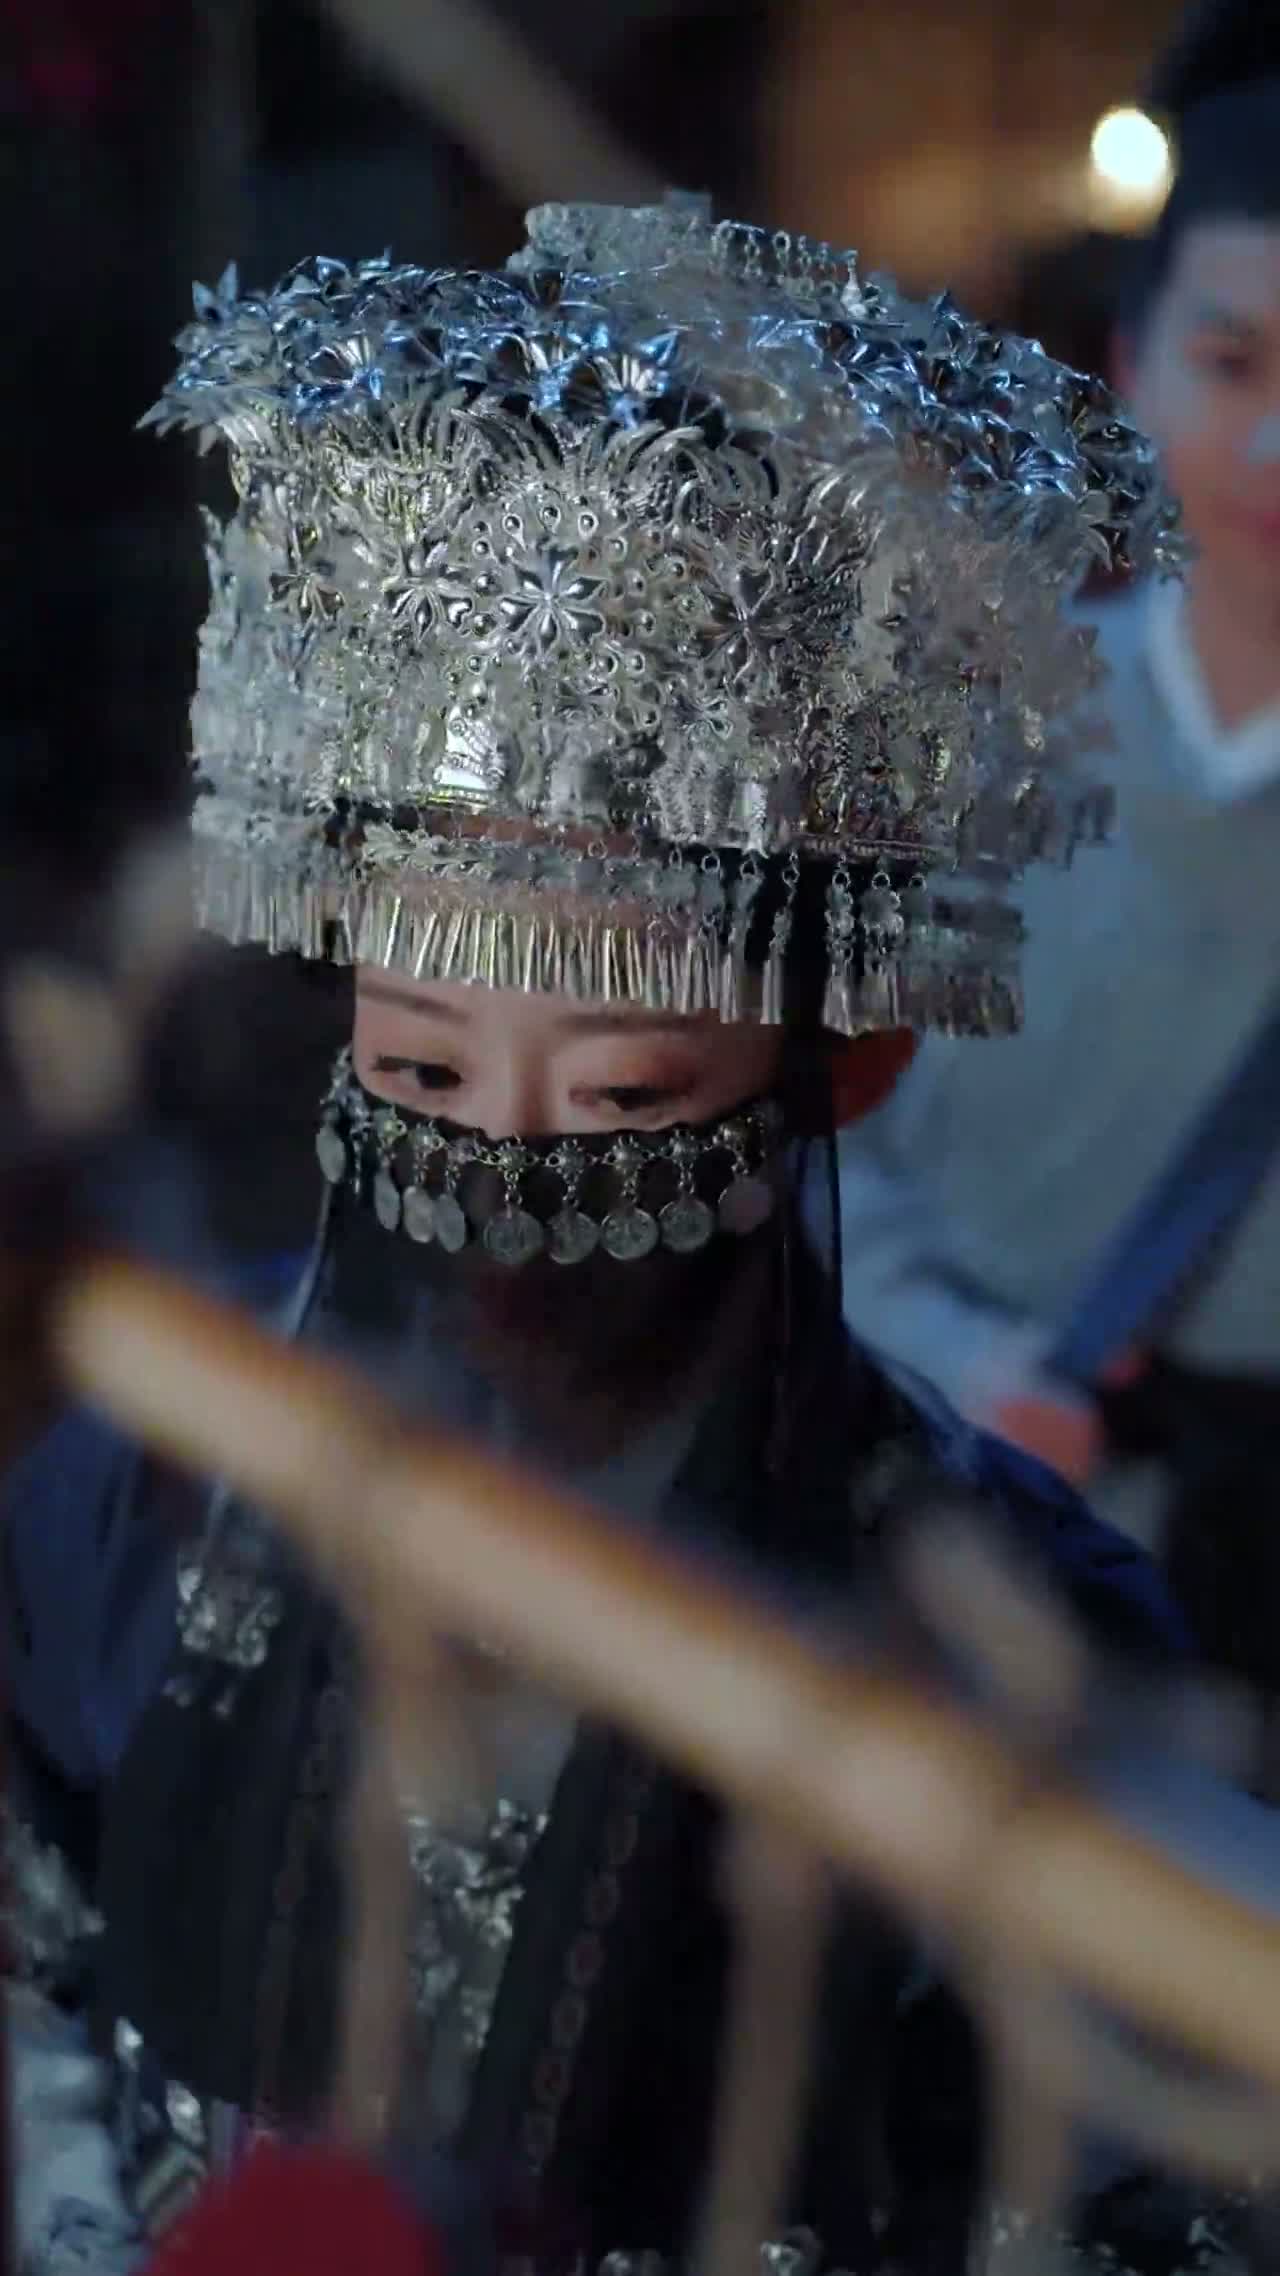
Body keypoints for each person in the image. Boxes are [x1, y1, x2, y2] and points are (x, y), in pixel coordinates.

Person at [0, 197, 1183, 2275]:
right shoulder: (148, 1482)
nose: (507, 1178)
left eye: (629, 1102)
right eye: (424, 1072)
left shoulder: (1009, 1645)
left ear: (839, 1063)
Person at [836, 38, 1280, 1700]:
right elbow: (801, 1146)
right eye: (1233, 365)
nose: (1277, 447)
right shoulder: (979, 733)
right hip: (947, 1559)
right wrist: (959, 1358)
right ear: (1133, 373)